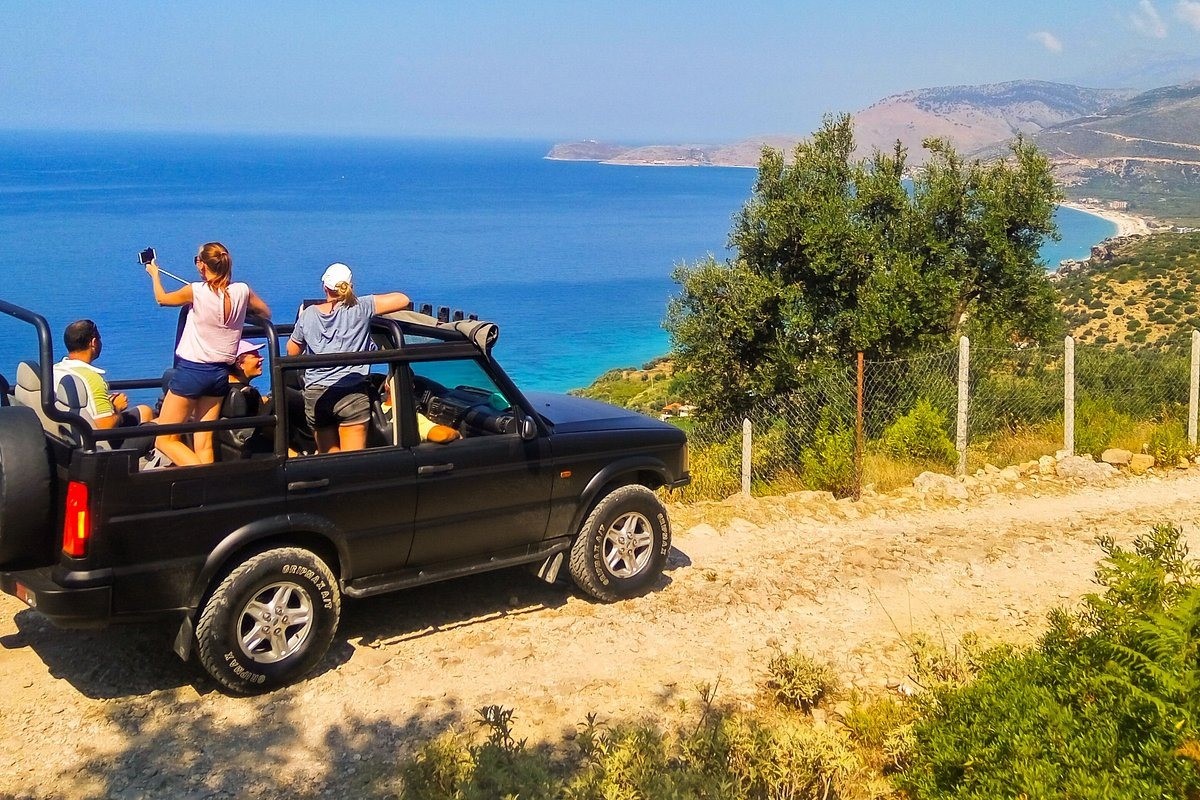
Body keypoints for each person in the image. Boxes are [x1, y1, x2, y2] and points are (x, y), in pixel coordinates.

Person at [146, 242, 271, 465]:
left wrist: (154, 274)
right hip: (219, 375)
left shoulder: (195, 291)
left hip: (192, 373)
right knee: (203, 442)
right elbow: (265, 311)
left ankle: (201, 479)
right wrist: (243, 311)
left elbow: (161, 299)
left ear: (202, 265)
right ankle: (208, 490)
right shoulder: (242, 290)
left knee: (163, 439)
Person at [286, 262, 410, 453]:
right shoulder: (362, 307)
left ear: (324, 287)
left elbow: (292, 351)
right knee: (352, 461)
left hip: (317, 394)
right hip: (352, 391)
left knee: (330, 460)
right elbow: (402, 299)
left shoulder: (308, 314)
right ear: (350, 286)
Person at [54, 319, 156, 433]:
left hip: (72, 433)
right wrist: (117, 407)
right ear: (93, 342)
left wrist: (107, 405)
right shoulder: (92, 379)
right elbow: (105, 426)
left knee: (144, 411)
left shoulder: (56, 370)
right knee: (155, 428)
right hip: (97, 443)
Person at [218, 340, 273, 458]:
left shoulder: (220, 392)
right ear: (239, 364)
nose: (261, 358)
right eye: (255, 356)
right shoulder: (249, 395)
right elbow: (265, 428)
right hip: (256, 451)